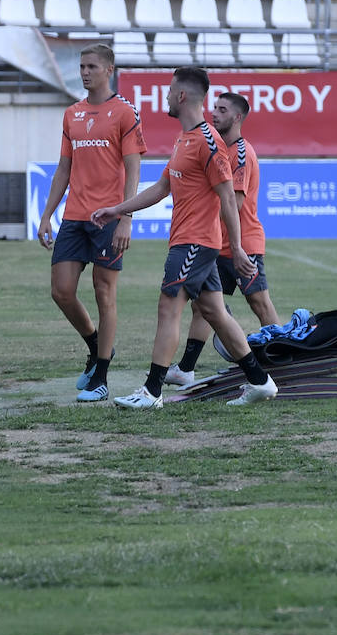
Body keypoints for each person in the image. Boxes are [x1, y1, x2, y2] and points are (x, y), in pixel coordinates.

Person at [93, 67, 278, 409]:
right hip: (190, 241)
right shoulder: (184, 139)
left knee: (169, 309)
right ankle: (260, 381)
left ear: (181, 96)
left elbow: (227, 198)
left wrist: (236, 249)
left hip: (195, 243)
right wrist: (117, 209)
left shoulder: (210, 143)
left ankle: (151, 392)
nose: (165, 96)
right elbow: (162, 188)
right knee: (215, 312)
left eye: (168, 91)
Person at [37, 43, 146, 403]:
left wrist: (125, 216)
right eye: (81, 66)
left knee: (104, 293)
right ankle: (98, 346)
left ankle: (100, 377)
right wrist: (46, 215)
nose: (84, 72)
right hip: (74, 217)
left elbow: (133, 168)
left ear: (109, 70)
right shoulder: (72, 114)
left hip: (110, 217)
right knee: (61, 291)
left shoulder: (125, 113)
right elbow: (63, 169)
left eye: (91, 66)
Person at [167, 91, 282, 386]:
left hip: (244, 244)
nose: (214, 113)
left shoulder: (242, 153)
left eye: (221, 109)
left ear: (237, 117)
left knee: (259, 303)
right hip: (218, 244)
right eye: (213, 107)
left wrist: (198, 222)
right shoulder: (215, 147)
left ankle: (283, 360)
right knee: (204, 306)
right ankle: (185, 369)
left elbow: (237, 203)